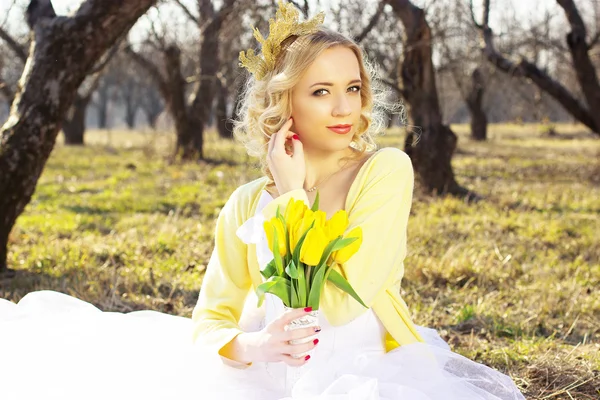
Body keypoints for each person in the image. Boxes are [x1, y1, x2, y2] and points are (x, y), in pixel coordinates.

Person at [0, 2, 525, 399]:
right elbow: (210, 319)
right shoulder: (247, 204)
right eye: (320, 91)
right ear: (285, 100)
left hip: (369, 372)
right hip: (263, 374)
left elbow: (344, 302)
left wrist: (294, 194)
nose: (344, 107)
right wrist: (250, 348)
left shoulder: (384, 171)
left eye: (353, 88)